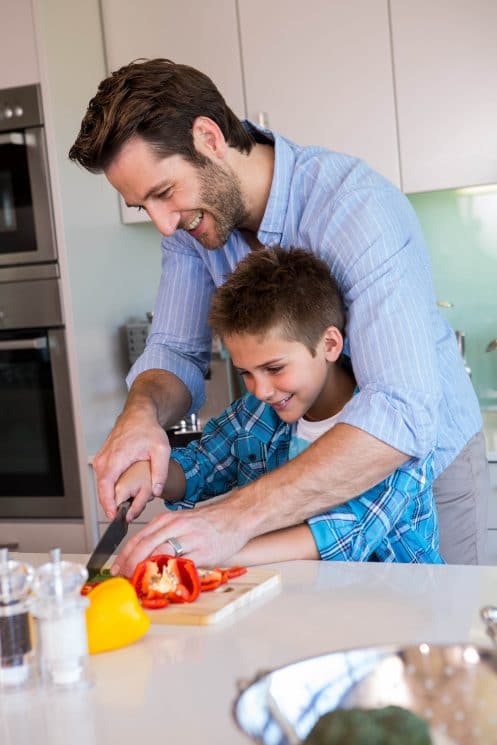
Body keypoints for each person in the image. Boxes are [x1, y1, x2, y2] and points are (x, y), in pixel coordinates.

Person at [69, 58, 489, 568]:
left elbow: (400, 414)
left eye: (163, 193)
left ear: (209, 137)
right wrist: (140, 417)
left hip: (423, 461)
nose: (162, 223)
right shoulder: (190, 228)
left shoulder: (354, 207)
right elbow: (177, 350)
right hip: (299, 476)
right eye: (143, 207)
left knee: (437, 629)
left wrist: (231, 521)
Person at [114, 248, 443, 572]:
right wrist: (152, 473)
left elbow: (342, 535)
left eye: (274, 368)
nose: (261, 390)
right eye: (246, 373)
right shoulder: (258, 412)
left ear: (329, 345)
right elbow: (201, 465)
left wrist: (209, 549)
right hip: (300, 605)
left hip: (398, 607)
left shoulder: (393, 434)